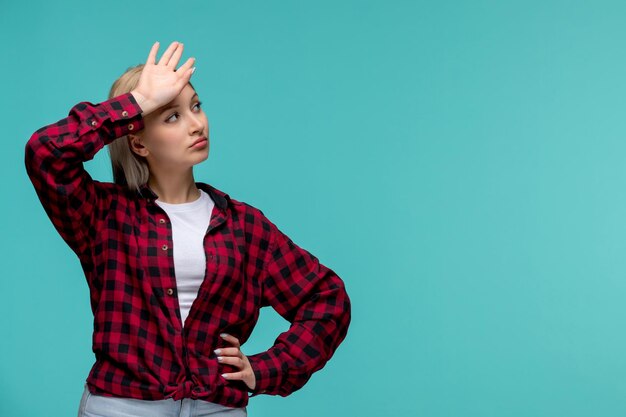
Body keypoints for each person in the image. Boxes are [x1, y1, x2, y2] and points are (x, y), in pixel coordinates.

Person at [24, 41, 351, 417]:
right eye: (171, 116)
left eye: (196, 106)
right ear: (138, 141)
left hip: (217, 408)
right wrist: (138, 102)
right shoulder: (103, 215)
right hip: (121, 407)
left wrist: (264, 370)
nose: (197, 123)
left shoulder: (244, 227)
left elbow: (327, 298)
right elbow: (45, 152)